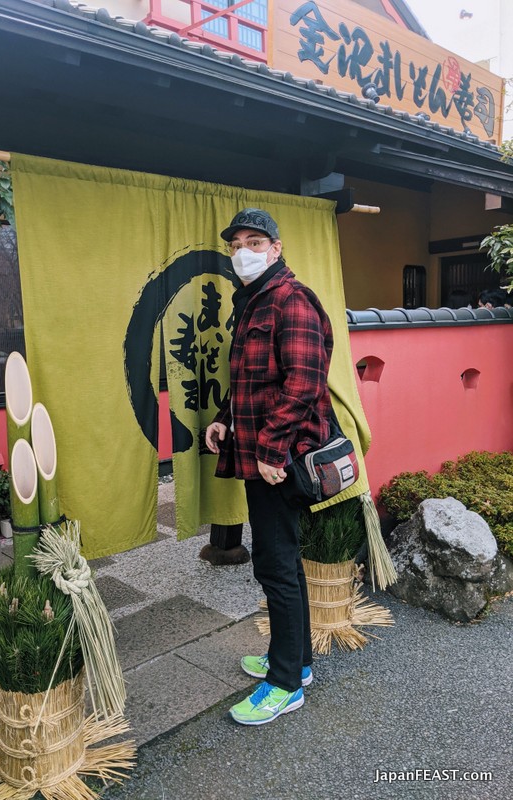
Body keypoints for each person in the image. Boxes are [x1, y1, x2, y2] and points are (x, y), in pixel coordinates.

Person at [205, 208, 333, 726]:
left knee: (276, 566)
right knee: (281, 564)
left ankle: (283, 684)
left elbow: (304, 382)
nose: (244, 251)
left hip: (281, 461)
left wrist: (271, 450)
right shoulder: (255, 299)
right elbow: (251, 380)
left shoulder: (291, 300)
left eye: (255, 241)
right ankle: (296, 662)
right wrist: (223, 420)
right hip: (264, 453)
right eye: (237, 243)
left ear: (276, 249)